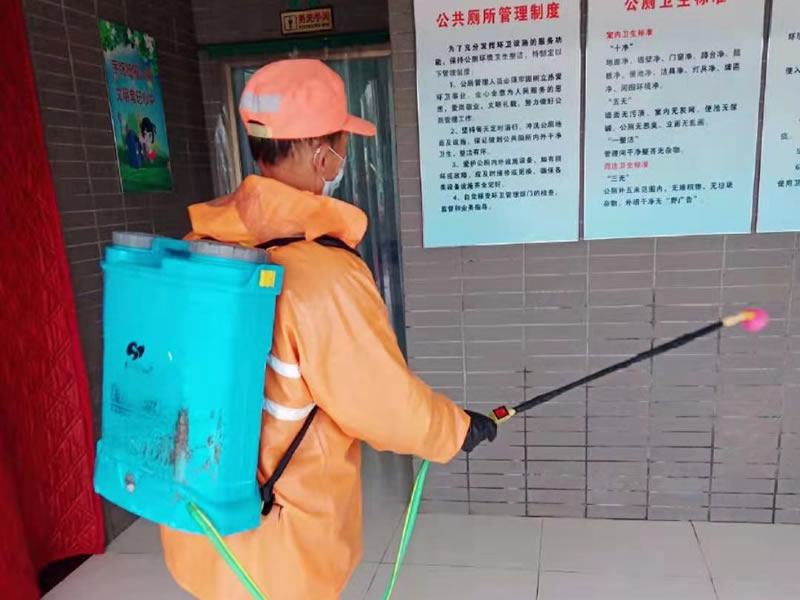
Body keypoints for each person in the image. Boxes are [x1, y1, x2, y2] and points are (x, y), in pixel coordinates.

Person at [160, 59, 497, 600]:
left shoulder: (198, 248)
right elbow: (383, 404)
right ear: (322, 155)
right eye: (342, 143)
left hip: (199, 525)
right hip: (280, 547)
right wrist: (454, 431)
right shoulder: (321, 275)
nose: (342, 157)